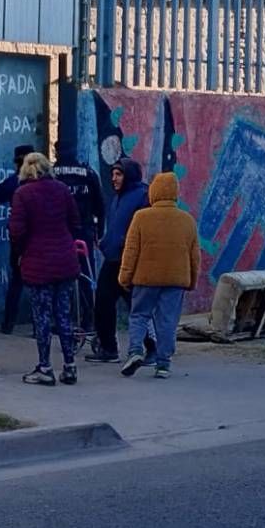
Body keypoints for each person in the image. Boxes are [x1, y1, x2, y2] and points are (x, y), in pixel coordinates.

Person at [117, 172, 199, 379]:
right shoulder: (187, 220)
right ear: (175, 194)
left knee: (139, 315)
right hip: (175, 280)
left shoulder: (141, 217)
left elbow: (131, 250)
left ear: (153, 192)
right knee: (168, 321)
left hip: (145, 279)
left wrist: (124, 277)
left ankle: (135, 351)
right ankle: (163, 364)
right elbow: (194, 255)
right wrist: (192, 281)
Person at [9, 153, 82, 386]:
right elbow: (74, 221)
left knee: (42, 316)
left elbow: (17, 231)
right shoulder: (62, 189)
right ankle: (70, 366)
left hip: (38, 262)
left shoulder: (22, 194)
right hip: (65, 259)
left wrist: (20, 253)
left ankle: (45, 367)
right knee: (63, 315)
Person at [87, 158, 151, 363]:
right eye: (113, 174)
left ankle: (153, 346)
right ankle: (108, 348)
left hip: (130, 259)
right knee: (104, 302)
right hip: (114, 258)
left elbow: (141, 230)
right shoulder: (118, 198)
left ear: (129, 175)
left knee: (136, 305)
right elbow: (115, 227)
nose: (113, 178)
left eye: (119, 174)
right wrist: (105, 242)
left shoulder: (142, 196)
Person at [53, 138, 105, 333]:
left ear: (56, 151)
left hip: (58, 233)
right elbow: (100, 205)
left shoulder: (51, 174)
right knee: (85, 275)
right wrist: (99, 232)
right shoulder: (88, 172)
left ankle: (61, 320)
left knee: (57, 276)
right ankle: (88, 319)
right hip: (83, 231)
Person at [0, 144, 35, 334]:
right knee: (40, 285)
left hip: (22, 240)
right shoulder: (46, 181)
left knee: (18, 282)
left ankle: (8, 324)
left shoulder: (14, 182)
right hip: (39, 239)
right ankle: (38, 325)